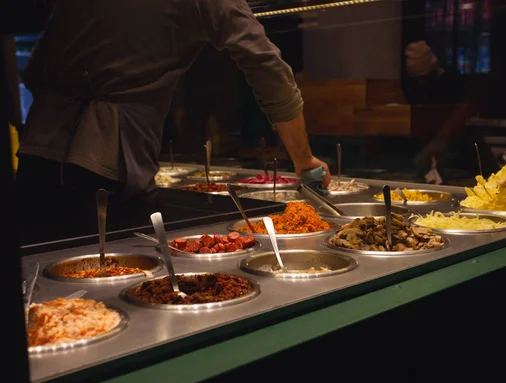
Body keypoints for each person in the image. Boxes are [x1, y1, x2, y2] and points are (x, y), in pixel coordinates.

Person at [15, 0, 331, 229]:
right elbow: (266, 66)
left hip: (37, 150)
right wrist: (304, 159)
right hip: (111, 161)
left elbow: (36, 68)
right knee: (116, 278)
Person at [403, 40, 499, 181]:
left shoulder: (453, 80)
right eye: (418, 79)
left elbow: (464, 111)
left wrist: (438, 141)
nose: (421, 82)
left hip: (465, 150)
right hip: (435, 151)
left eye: (424, 77)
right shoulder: (415, 88)